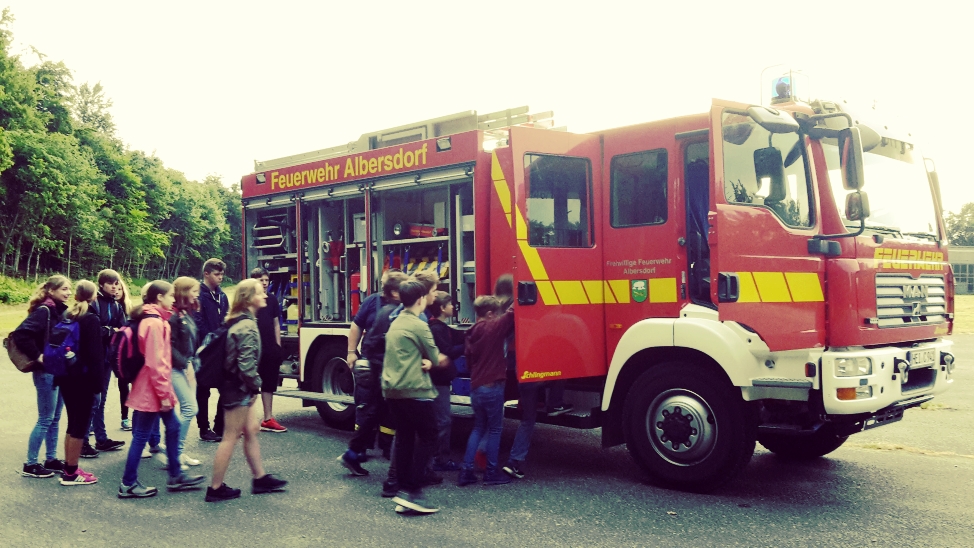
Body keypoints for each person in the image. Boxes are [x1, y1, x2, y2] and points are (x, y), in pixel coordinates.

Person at [118, 280, 205, 499]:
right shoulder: (155, 323)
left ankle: (176, 475)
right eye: (170, 296)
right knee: (140, 437)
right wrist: (165, 395)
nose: (173, 300)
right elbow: (156, 363)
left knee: (174, 427)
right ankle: (128, 484)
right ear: (159, 298)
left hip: (153, 387)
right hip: (152, 391)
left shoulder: (153, 319)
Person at [206, 279, 288, 502]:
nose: (265, 295)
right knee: (230, 437)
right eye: (261, 292)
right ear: (249, 298)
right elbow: (246, 366)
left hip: (237, 386)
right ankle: (215, 489)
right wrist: (255, 387)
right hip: (238, 388)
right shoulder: (247, 326)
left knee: (251, 429)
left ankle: (260, 478)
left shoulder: (240, 321)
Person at [338, 270, 409, 475]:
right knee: (387, 410)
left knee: (377, 410)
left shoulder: (389, 310)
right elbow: (358, 326)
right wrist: (351, 352)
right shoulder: (392, 312)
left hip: (380, 366)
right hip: (385, 368)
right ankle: (399, 475)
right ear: (395, 292)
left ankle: (353, 453)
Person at [382, 279, 442, 514]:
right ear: (420, 299)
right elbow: (435, 358)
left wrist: (422, 359)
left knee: (406, 437)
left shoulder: (396, 322)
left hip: (392, 390)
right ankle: (413, 489)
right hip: (414, 389)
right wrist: (428, 361)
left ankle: (403, 490)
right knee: (429, 435)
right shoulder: (418, 324)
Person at [14, 275, 70, 478]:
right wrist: (39, 356)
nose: (68, 292)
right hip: (45, 372)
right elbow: (20, 335)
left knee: (54, 418)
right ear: (51, 291)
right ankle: (30, 464)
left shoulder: (61, 311)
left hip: (59, 371)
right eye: (64, 289)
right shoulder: (43, 311)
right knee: (45, 418)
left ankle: (51, 458)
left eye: (69, 289)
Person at [457, 295, 515, 487]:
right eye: (495, 313)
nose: (498, 316)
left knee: (478, 428)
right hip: (492, 386)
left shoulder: (471, 332)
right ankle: (491, 472)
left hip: (476, 388)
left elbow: (469, 361)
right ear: (490, 314)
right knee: (496, 429)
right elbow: (512, 313)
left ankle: (466, 471)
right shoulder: (493, 327)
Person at [55, 280, 104, 485]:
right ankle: (72, 473)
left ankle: (69, 467)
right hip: (83, 379)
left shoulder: (68, 315)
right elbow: (95, 356)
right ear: (94, 296)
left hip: (66, 376)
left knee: (72, 423)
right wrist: (97, 385)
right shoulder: (91, 318)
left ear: (76, 295)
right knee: (79, 426)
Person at [83, 269, 127, 458]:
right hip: (92, 358)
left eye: (117, 284)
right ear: (101, 285)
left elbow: (123, 328)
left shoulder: (116, 305)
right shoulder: (93, 303)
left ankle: (101, 439)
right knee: (92, 400)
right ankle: (83, 442)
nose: (115, 287)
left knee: (102, 399)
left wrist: (112, 330)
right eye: (111, 284)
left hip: (108, 358)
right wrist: (111, 330)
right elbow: (92, 330)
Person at [427, 291, 464, 472]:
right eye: (450, 304)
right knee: (443, 421)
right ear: (442, 308)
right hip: (438, 382)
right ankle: (440, 459)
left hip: (439, 381)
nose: (453, 307)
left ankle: (436, 457)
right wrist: (466, 347)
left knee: (440, 419)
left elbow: (457, 336)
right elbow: (448, 350)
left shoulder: (441, 327)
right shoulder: (437, 329)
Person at [169, 276, 203, 469]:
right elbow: (169, 347)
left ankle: (178, 453)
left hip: (186, 366)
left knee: (186, 409)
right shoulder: (174, 316)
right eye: (194, 291)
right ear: (184, 292)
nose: (197, 295)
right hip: (176, 369)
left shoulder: (185, 313)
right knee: (190, 409)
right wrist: (185, 364)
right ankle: (175, 453)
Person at [195, 258, 229, 442]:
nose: (220, 277)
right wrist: (210, 340)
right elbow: (197, 321)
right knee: (203, 390)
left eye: (222, 274)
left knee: (225, 387)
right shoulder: (199, 295)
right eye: (217, 274)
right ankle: (204, 428)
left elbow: (227, 318)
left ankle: (219, 426)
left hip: (221, 349)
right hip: (204, 350)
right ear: (206, 274)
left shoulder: (222, 296)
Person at [251, 268, 286, 433]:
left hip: (270, 348)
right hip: (253, 349)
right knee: (250, 385)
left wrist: (277, 345)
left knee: (269, 384)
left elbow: (276, 323)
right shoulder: (250, 300)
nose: (265, 283)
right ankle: (246, 420)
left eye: (266, 280)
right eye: (261, 280)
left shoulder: (271, 300)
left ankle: (268, 418)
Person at [116, 278, 134, 431]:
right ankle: (124, 417)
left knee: (129, 386)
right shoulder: (107, 307)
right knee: (122, 387)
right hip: (114, 353)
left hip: (127, 353)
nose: (116, 291)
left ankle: (127, 417)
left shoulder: (129, 309)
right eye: (114, 288)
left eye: (119, 289)